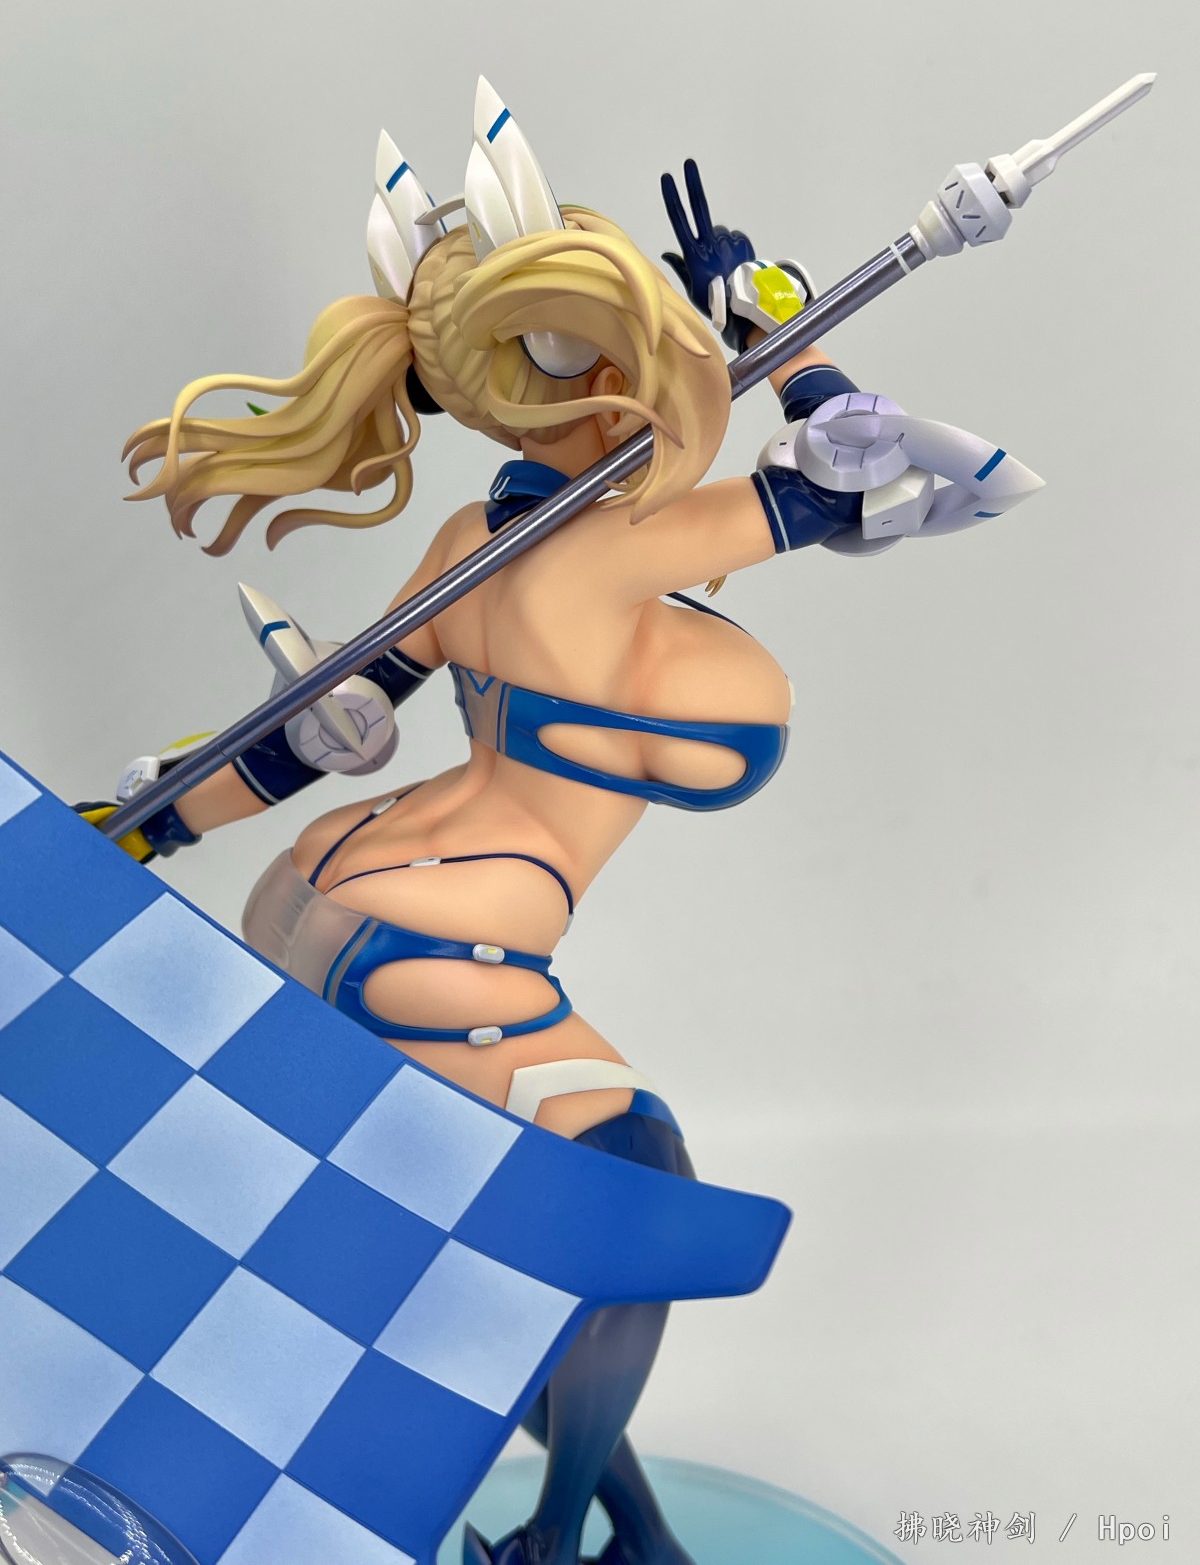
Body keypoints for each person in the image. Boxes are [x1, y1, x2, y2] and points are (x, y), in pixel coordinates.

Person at [107, 84, 1037, 1565]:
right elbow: (925, 478)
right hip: (448, 940)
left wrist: (147, 831)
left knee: (547, 1253)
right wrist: (777, 327)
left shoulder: (469, 541)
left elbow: (304, 746)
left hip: (311, 900)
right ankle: (553, 1541)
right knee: (636, 1205)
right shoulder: (626, 543)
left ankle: (634, 1538)